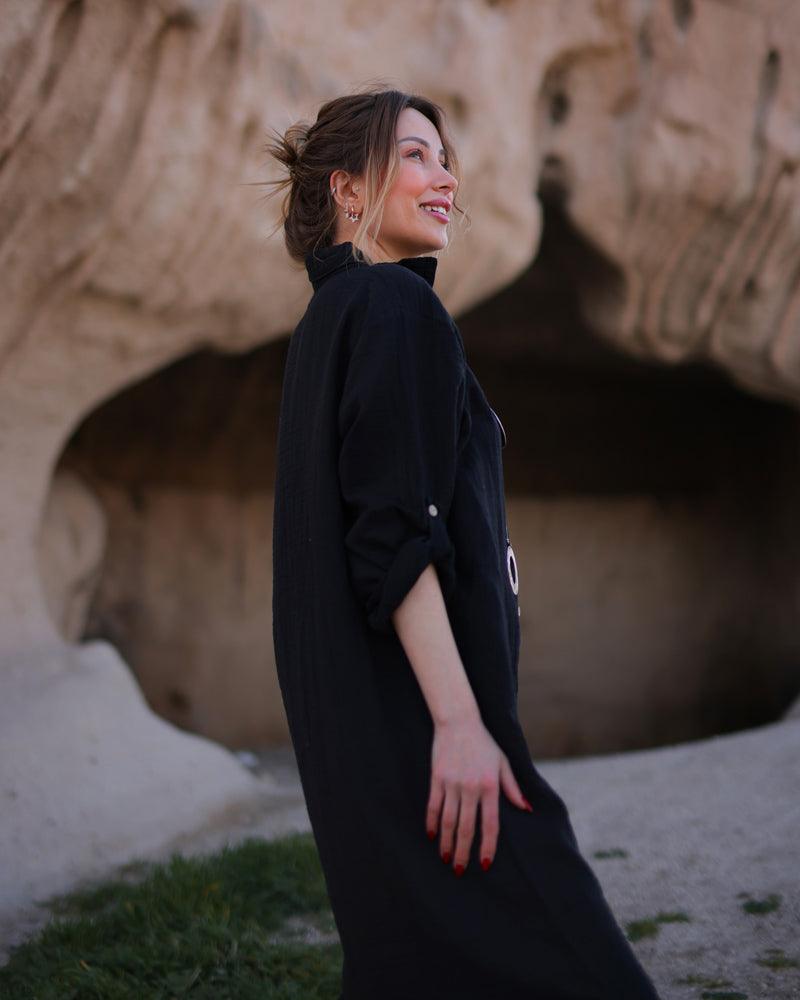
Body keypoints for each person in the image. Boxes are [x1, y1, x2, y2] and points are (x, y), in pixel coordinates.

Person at [265, 85, 662, 1000]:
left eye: (445, 157)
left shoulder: (326, 327)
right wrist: (458, 725)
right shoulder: (396, 311)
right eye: (414, 154)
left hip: (364, 756)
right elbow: (393, 533)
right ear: (348, 191)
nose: (445, 176)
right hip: (431, 748)